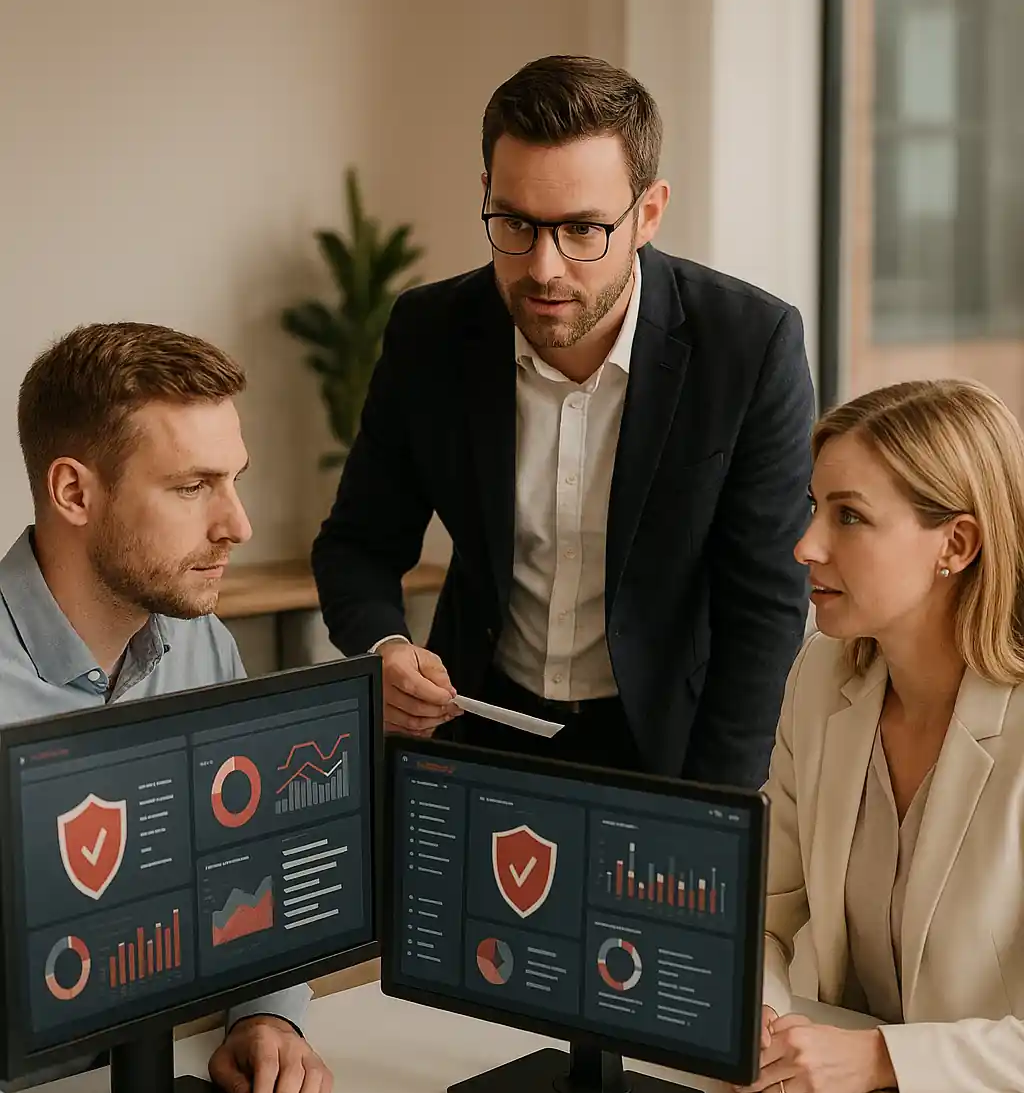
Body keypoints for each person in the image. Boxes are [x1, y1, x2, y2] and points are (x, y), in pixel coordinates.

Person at [637, 377, 1024, 1093]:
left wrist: (880, 1058)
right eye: (815, 508)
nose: (805, 545)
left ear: (956, 545)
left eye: (848, 517)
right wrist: (764, 1021)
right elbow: (766, 913)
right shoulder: (822, 680)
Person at [312, 54, 814, 788]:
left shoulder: (748, 345)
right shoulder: (431, 332)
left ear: (648, 214)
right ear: (487, 196)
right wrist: (383, 647)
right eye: (516, 223)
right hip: (474, 730)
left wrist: (714, 809)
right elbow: (357, 545)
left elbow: (765, 609)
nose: (544, 268)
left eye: (582, 229)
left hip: (672, 750)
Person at [0, 322, 344, 1093]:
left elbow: (246, 861)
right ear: (75, 492)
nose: (237, 524)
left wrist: (268, 1014)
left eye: (234, 479)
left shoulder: (197, 644)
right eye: (193, 488)